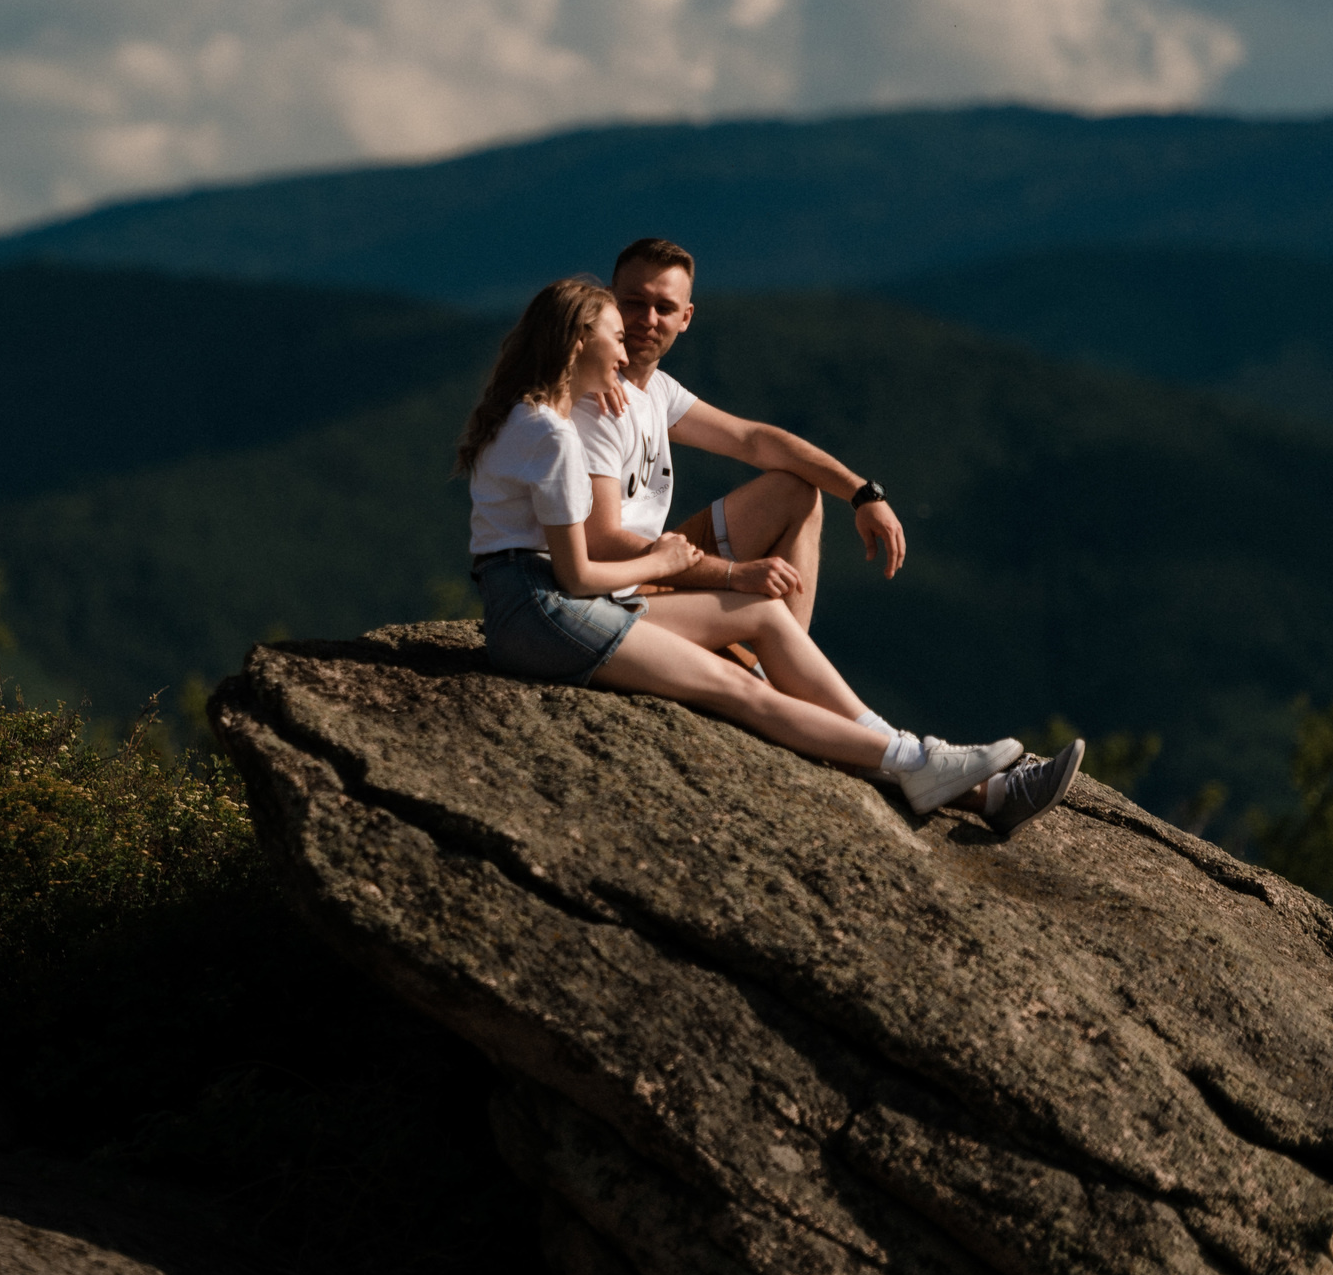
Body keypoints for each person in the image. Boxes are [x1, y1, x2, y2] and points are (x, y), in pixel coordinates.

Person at [461, 276, 1084, 835]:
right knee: (735, 690)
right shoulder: (554, 434)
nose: (627, 352)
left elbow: (756, 441)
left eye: (654, 317)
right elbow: (579, 571)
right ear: (576, 342)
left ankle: (920, 761)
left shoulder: (533, 416)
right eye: (618, 335)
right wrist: (668, 562)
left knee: (762, 616)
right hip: (543, 604)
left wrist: (860, 492)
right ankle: (912, 759)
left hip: (540, 601)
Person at [577, 236, 891, 634]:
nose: (649, 319)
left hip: (650, 568)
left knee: (796, 492)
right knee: (765, 612)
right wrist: (732, 574)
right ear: (609, 300)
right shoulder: (589, 393)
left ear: (686, 317)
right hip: (609, 589)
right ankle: (784, 667)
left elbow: (753, 440)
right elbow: (599, 544)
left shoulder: (657, 390)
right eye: (634, 303)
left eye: (665, 308)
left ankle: (783, 663)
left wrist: (861, 493)